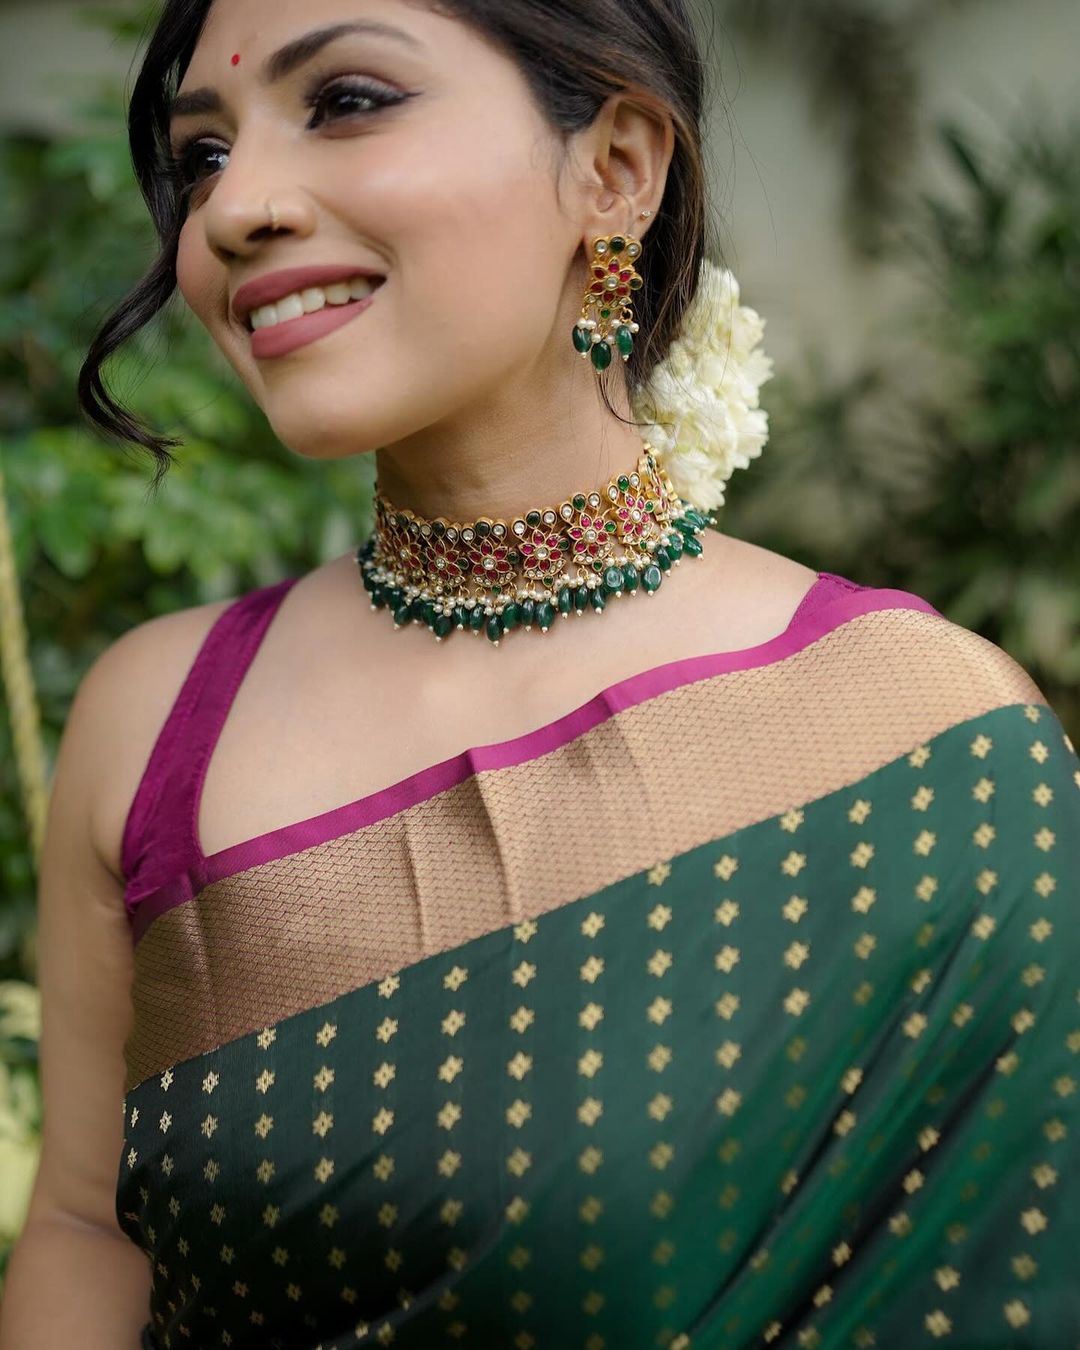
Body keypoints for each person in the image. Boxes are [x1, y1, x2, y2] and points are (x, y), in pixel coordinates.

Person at [2, 1, 1077, 1346]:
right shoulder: (158, 720)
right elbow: (85, 1226)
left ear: (616, 169)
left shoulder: (922, 737)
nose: (236, 208)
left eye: (345, 101)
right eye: (202, 156)